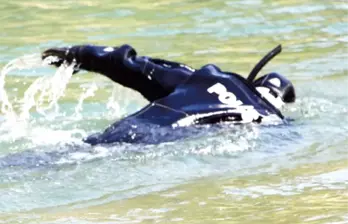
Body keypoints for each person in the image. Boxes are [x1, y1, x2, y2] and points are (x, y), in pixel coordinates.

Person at [42, 44, 295, 145]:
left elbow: (139, 68)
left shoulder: (214, 78)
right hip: (171, 145)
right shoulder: (273, 121)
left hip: (138, 129)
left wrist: (81, 55)